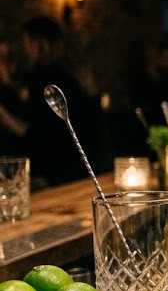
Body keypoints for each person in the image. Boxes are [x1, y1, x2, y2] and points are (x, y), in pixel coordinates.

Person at [19, 16, 113, 187]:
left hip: (58, 170)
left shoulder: (46, 81)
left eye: (26, 41)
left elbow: (40, 133)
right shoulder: (70, 75)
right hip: (83, 165)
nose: (23, 48)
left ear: (39, 43)